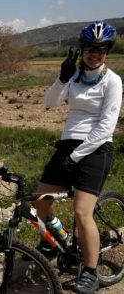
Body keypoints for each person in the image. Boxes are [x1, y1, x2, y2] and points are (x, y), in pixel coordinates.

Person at [34, 21, 122, 294]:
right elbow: (50, 103)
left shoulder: (113, 81)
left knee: (82, 212)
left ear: (106, 51)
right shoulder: (73, 76)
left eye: (100, 49)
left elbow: (106, 127)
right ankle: (54, 239)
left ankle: (91, 271)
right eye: (89, 49)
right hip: (68, 145)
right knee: (40, 204)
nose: (94, 54)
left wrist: (77, 155)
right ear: (81, 50)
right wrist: (62, 78)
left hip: (95, 149)